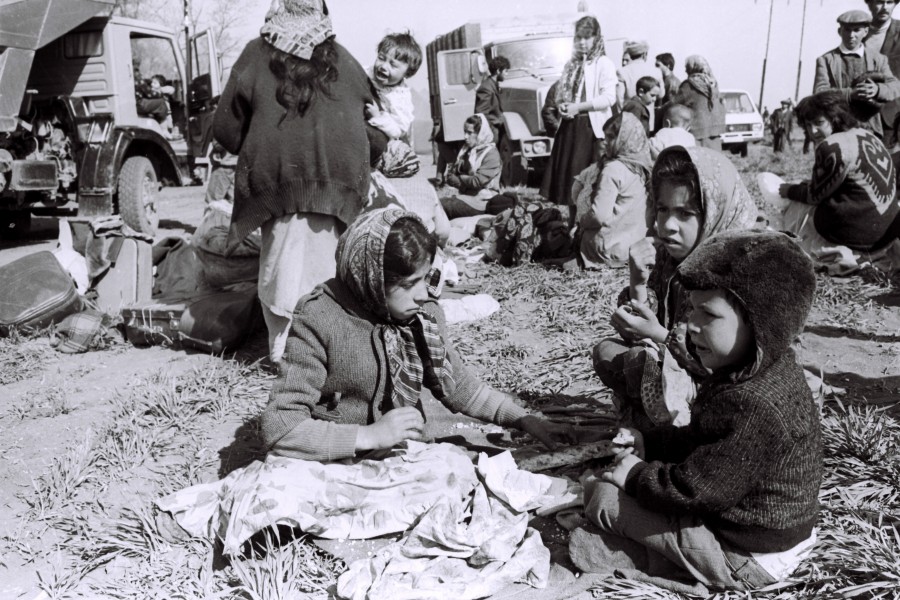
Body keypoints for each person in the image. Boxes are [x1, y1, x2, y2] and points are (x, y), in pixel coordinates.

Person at [155, 208, 574, 553]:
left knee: (458, 474)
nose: (423, 294)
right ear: (372, 279)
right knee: (275, 489)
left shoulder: (422, 315)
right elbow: (280, 426)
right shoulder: (319, 317)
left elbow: (460, 387)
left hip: (398, 460)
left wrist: (524, 419)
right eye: (408, 285)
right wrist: (370, 435)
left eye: (426, 278)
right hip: (334, 458)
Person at [572, 229, 822, 596]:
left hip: (748, 556)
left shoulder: (754, 403)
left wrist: (637, 475)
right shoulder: (756, 368)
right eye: (691, 308)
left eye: (708, 314)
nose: (691, 324)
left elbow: (696, 491)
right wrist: (649, 441)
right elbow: (701, 437)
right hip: (756, 530)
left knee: (603, 498)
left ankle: (659, 564)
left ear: (759, 322)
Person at [213, 0, 372, 364]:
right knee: (328, 267)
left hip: (278, 182)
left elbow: (225, 129)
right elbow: (368, 122)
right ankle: (334, 355)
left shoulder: (256, 54)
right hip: (339, 183)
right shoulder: (343, 58)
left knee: (283, 270)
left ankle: (291, 358)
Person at [592, 146, 759, 431]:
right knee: (609, 353)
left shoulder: (739, 269)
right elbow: (636, 334)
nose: (668, 225)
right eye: (662, 209)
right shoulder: (668, 259)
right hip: (676, 371)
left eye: (685, 213)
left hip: (729, 391)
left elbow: (721, 364)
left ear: (713, 212)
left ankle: (669, 432)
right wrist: (638, 282)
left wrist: (657, 334)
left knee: (642, 365)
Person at [778, 90, 900, 274]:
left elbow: (813, 196)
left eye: (819, 123)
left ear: (835, 118)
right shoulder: (868, 134)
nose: (813, 131)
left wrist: (788, 190)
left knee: (798, 208)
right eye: (808, 125)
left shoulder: (832, 146)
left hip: (860, 235)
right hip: (887, 233)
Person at [544, 15, 617, 206]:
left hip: (590, 131)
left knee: (585, 182)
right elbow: (565, 94)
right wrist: (564, 106)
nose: (582, 43)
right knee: (566, 183)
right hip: (570, 129)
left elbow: (609, 98)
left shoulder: (604, 64)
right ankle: (568, 225)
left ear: (596, 38)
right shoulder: (572, 65)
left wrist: (579, 107)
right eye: (578, 38)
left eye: (587, 37)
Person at [571, 112, 652, 269]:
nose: (604, 142)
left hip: (607, 251)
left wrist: (581, 223)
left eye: (610, 137)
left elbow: (598, 215)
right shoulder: (645, 169)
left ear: (623, 138)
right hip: (637, 249)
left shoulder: (613, 169)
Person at [813, 9, 900, 141]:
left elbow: (895, 86)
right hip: (838, 129)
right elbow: (819, 93)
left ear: (866, 31)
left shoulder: (879, 59)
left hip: (871, 130)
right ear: (839, 31)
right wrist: (850, 94)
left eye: (857, 30)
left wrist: (877, 90)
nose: (851, 35)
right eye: (847, 30)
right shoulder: (826, 60)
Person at [439, 113, 502, 219]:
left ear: (480, 134)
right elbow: (451, 177)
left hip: (483, 201)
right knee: (436, 204)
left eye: (470, 133)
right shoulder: (467, 150)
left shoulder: (491, 154)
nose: (465, 137)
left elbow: (477, 181)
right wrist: (459, 179)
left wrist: (460, 178)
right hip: (466, 196)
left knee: (442, 206)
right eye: (465, 132)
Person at [864, 0, 900, 144]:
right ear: (869, 3)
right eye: (879, 1)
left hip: (893, 115)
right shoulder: (856, 32)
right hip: (861, 115)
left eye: (889, 2)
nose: (885, 7)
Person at [673, 55, 726, 150]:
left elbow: (674, 105)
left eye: (687, 68)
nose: (685, 71)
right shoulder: (713, 84)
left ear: (693, 68)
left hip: (697, 133)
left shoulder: (688, 85)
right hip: (715, 133)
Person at [616, 40, 663, 109]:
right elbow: (661, 95)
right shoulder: (656, 71)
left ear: (630, 55)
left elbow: (619, 99)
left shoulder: (622, 71)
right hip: (649, 114)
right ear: (644, 54)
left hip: (629, 113)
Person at [476, 55, 511, 144]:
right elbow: (480, 114)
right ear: (498, 71)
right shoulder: (486, 88)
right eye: (506, 71)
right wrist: (495, 124)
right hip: (492, 133)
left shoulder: (493, 85)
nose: (507, 74)